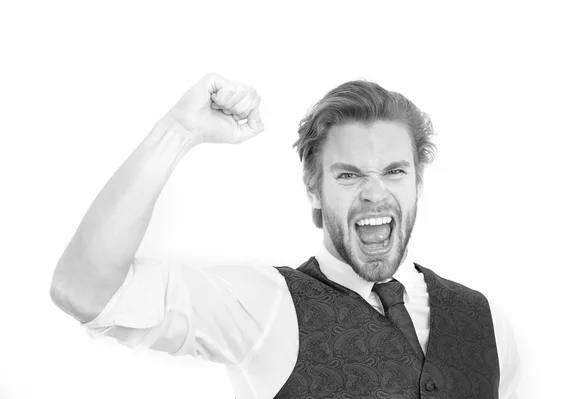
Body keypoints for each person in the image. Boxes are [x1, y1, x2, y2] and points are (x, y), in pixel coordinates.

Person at [50, 73, 520, 398]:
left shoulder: (486, 321)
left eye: (395, 171)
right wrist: (179, 130)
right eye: (349, 176)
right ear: (313, 190)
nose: (376, 194)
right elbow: (84, 290)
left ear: (418, 181)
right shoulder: (265, 306)